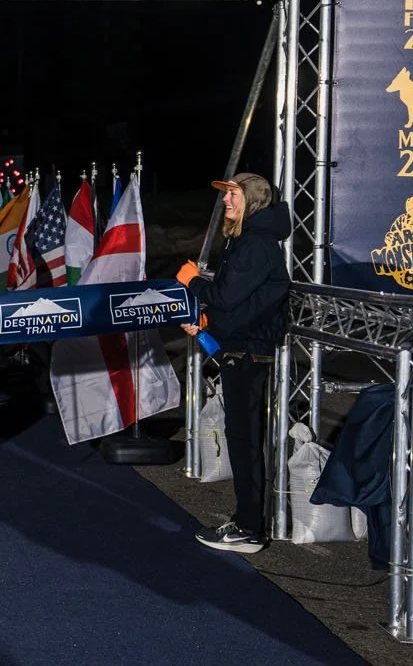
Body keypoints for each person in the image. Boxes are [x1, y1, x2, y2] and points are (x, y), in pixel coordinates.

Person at [175, 171, 291, 555]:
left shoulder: (257, 243)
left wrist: (192, 281)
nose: (226, 202)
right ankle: (247, 521)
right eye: (226, 195)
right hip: (241, 349)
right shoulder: (251, 240)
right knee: (242, 440)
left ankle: (249, 529)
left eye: (234, 195)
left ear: (253, 200)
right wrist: (207, 326)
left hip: (248, 354)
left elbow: (226, 296)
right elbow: (241, 305)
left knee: (244, 441)